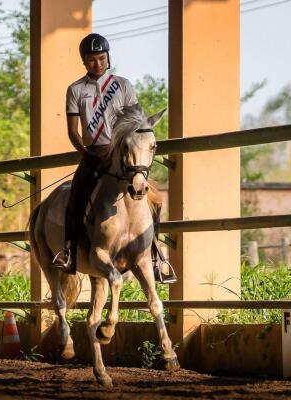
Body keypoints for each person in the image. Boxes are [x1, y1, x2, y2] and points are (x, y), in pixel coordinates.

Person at [52, 33, 176, 284]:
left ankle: (157, 257)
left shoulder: (123, 85)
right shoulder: (75, 90)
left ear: (108, 58)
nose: (97, 63)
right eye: (91, 60)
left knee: (155, 199)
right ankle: (68, 251)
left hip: (123, 154)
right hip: (94, 153)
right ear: (84, 62)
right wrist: (84, 153)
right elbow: (72, 131)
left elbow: (137, 121)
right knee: (76, 195)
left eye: (101, 58)